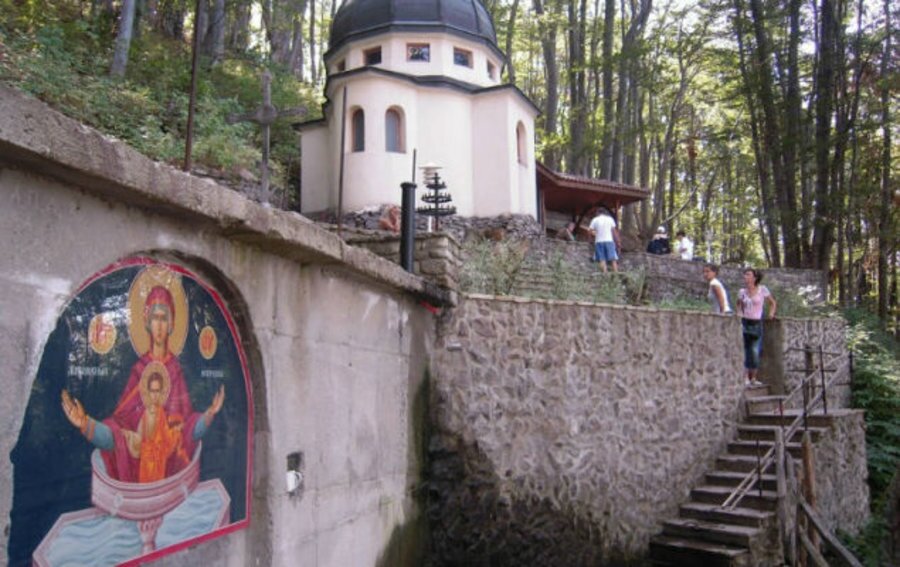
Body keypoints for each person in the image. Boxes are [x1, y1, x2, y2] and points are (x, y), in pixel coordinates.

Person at [61, 278, 225, 483]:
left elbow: (187, 430)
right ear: (147, 322)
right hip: (140, 474)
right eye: (155, 318)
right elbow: (118, 432)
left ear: (172, 323)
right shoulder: (139, 371)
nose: (159, 325)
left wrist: (210, 414)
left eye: (164, 318)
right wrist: (85, 423)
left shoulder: (175, 371)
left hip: (169, 476)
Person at [736, 268, 777, 386]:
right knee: (745, 349)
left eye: (748, 274)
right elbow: (738, 304)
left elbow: (772, 303)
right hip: (745, 322)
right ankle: (745, 377)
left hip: (756, 322)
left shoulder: (762, 289)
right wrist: (739, 313)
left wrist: (771, 314)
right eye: (745, 274)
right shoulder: (742, 292)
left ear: (754, 277)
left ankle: (753, 377)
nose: (745, 276)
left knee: (754, 350)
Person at [589, 208, 619, 273]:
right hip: (609, 241)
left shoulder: (595, 220)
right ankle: (616, 274)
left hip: (599, 241)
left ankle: (605, 274)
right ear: (605, 213)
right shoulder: (610, 219)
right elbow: (614, 231)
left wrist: (591, 238)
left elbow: (590, 231)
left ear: (598, 213)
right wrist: (617, 241)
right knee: (613, 259)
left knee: (601, 259)